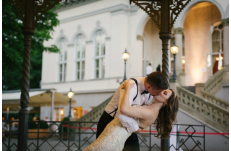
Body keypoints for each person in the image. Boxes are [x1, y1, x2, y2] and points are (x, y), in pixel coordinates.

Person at [84, 79, 179, 151]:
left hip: (115, 135)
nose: (161, 91)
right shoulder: (149, 104)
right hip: (111, 129)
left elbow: (124, 110)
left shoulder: (151, 112)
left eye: (165, 93)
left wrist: (128, 89)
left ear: (166, 102)